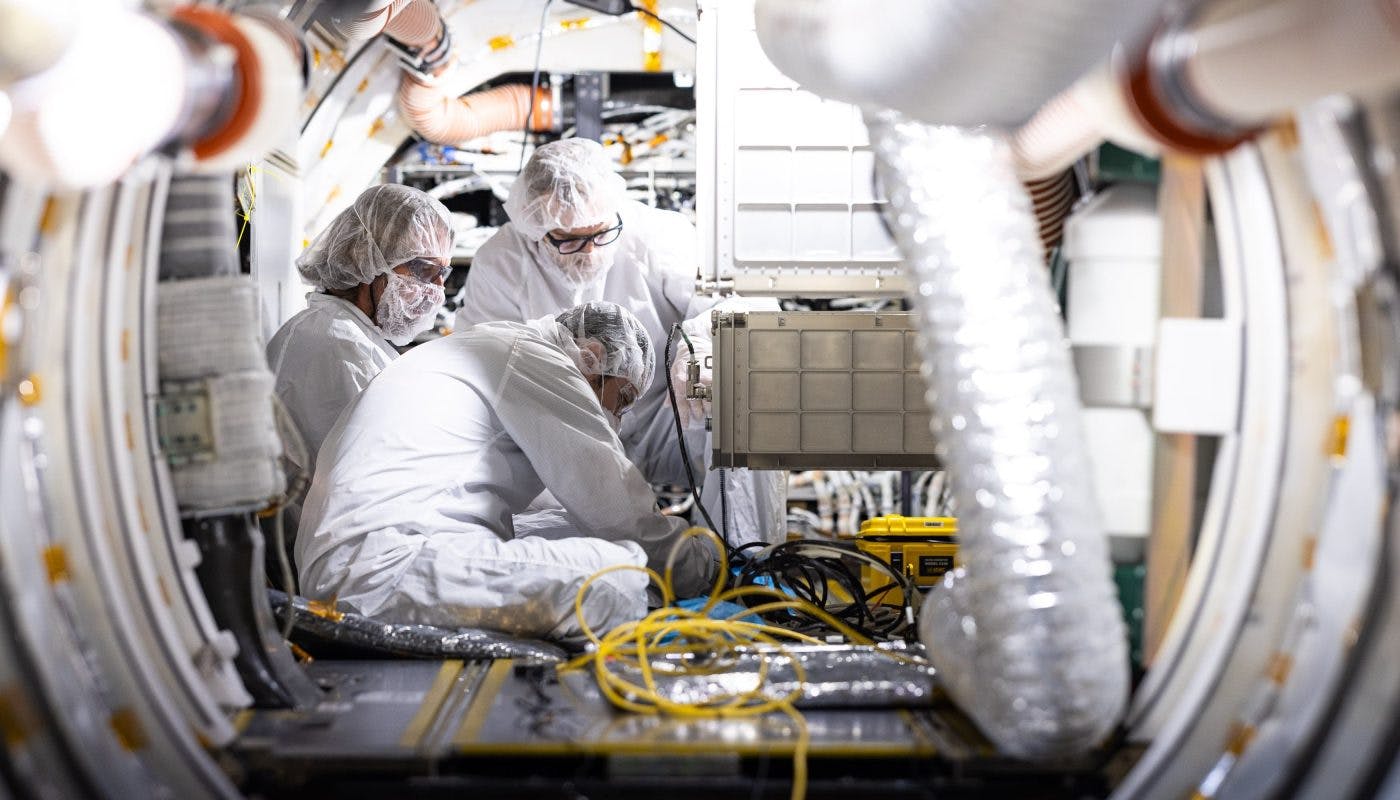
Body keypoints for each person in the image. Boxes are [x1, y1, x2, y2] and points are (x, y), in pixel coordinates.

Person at [295, 301, 717, 641]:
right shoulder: (535, 361)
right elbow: (617, 511)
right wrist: (706, 564)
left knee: (566, 527)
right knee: (615, 577)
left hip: (356, 555)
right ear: (593, 357)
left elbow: (574, 512)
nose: (617, 418)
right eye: (620, 398)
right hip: (382, 569)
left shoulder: (497, 348)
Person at [455, 138, 786, 546]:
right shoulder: (502, 262)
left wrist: (705, 339)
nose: (590, 251)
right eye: (570, 240)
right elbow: (481, 367)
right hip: (563, 436)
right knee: (558, 542)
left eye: (600, 232)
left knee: (748, 395)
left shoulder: (656, 234)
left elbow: (745, 301)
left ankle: (748, 566)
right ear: (535, 229)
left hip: (665, 419)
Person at [266, 183, 454, 472]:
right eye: (424, 270)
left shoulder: (342, 332)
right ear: (366, 260)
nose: (437, 291)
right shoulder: (340, 348)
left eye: (442, 273)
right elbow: (384, 475)